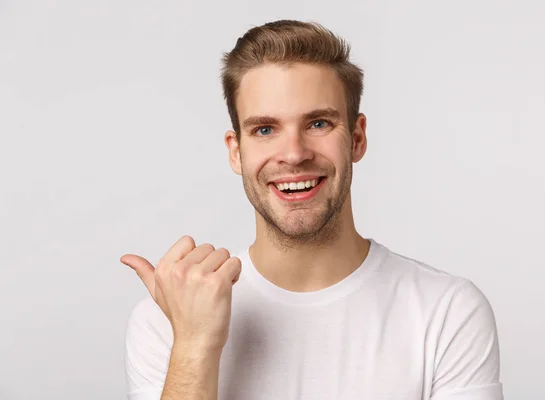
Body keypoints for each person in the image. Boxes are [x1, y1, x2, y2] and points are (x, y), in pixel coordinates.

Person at [120, 19, 504, 400]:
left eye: (318, 123)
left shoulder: (446, 311)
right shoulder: (169, 319)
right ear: (236, 152)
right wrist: (194, 345)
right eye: (265, 130)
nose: (293, 154)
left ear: (356, 138)